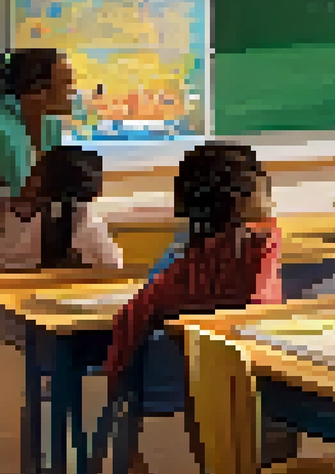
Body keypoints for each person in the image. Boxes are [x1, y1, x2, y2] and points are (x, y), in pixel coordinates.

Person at [103, 143, 282, 393]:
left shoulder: (185, 272)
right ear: (242, 202)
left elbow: (131, 319)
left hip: (192, 386)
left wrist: (117, 380)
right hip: (255, 382)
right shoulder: (262, 249)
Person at [0, 145, 121, 271]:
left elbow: (113, 268)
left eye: (34, 173)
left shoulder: (80, 217)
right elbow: (114, 268)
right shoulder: (83, 218)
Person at [0, 48, 75, 196]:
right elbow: (19, 199)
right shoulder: (4, 133)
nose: (71, 92)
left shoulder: (51, 123)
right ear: (40, 90)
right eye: (65, 84)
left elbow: (51, 185)